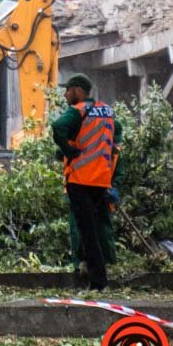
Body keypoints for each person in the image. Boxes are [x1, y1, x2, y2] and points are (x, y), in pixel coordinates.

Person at [51, 73, 119, 292]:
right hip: (101, 180)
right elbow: (113, 138)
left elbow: (57, 127)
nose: (66, 94)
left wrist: (68, 150)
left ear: (78, 91)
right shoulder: (107, 111)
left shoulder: (78, 110)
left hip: (80, 179)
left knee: (86, 232)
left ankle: (98, 282)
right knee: (97, 230)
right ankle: (100, 278)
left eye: (68, 90)